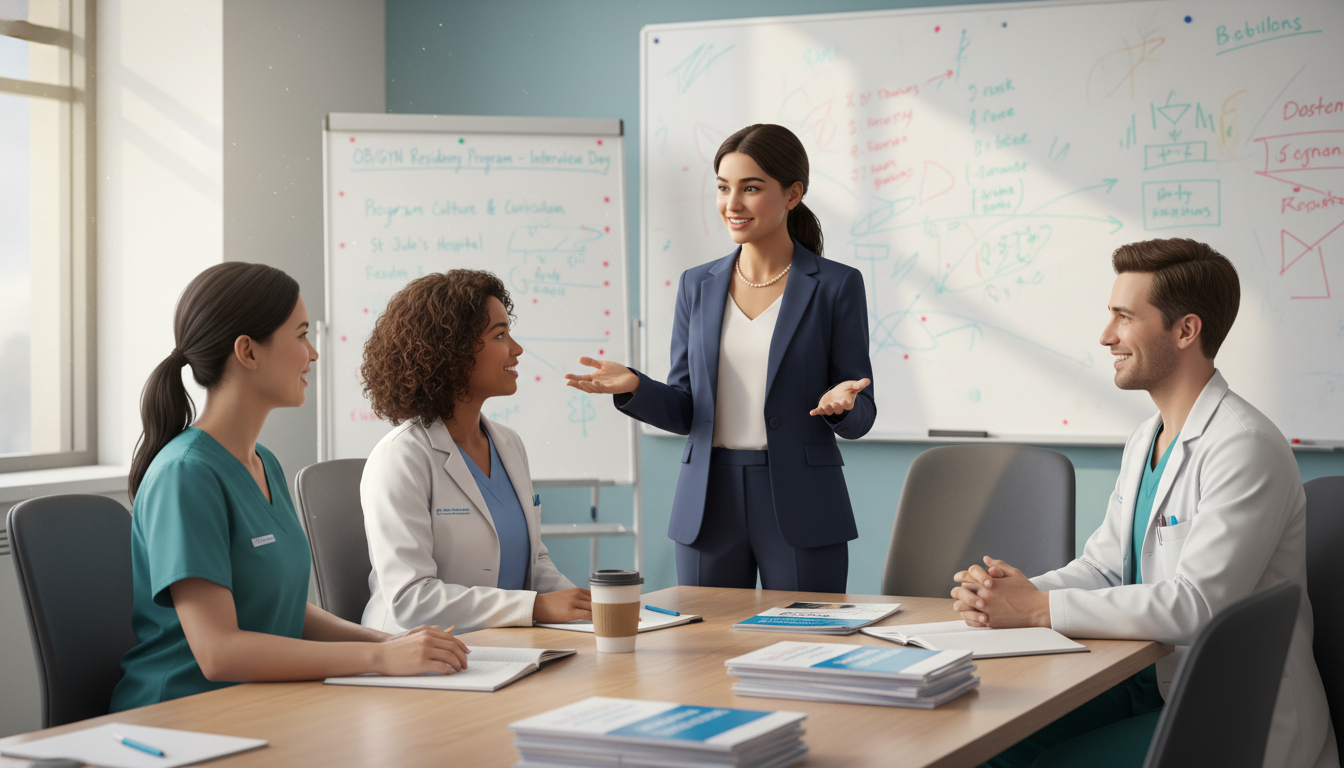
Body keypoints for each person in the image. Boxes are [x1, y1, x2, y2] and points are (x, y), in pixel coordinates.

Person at [950, 239, 1338, 768]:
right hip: (1149, 682)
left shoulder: (1244, 445)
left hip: (1231, 708)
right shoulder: (1147, 438)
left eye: (1124, 317)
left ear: (1185, 331)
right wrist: (1012, 593)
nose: (1106, 336)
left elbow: (1200, 605)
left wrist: (1038, 609)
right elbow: (1106, 569)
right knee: (988, 744)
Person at [111, 263, 468, 712]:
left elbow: (279, 612)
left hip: (260, 708)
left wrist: (393, 642)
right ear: (248, 352)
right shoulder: (186, 475)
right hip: (181, 719)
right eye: (300, 335)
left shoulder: (264, 464)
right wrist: (379, 657)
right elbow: (219, 653)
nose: (313, 353)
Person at [564, 124, 875, 592]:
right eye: (723, 188)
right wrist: (634, 387)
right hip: (708, 500)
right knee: (697, 648)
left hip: (803, 500)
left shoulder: (836, 285)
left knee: (807, 646)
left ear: (793, 194)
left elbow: (863, 409)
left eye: (751, 188)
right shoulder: (697, 285)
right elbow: (687, 407)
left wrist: (844, 405)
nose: (732, 204)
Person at [359, 270, 590, 635]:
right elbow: (411, 600)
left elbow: (534, 562)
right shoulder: (401, 458)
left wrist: (589, 608)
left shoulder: (508, 444)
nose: (516, 349)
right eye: (499, 335)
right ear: (450, 352)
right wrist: (536, 607)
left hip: (501, 648)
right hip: (419, 659)